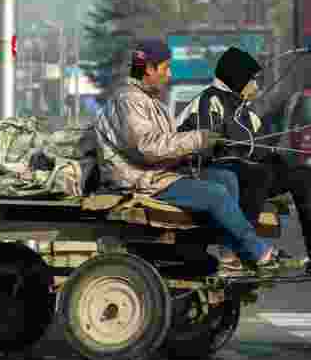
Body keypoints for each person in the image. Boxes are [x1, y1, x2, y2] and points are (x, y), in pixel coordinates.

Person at [94, 39, 299, 272]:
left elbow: (166, 146)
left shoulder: (149, 101)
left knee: (226, 178)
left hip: (158, 174)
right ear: (149, 69)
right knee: (216, 194)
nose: (169, 75)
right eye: (165, 68)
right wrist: (198, 139)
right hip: (140, 180)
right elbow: (147, 147)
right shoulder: (129, 101)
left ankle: (229, 255)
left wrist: (196, 152)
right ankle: (259, 252)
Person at [177, 47, 311, 269]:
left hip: (248, 174)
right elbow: (207, 145)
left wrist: (276, 157)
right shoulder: (209, 100)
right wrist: (238, 148)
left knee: (302, 175)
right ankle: (241, 250)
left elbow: (260, 149)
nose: (256, 86)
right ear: (237, 78)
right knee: (257, 173)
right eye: (251, 80)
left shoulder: (247, 113)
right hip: (212, 173)